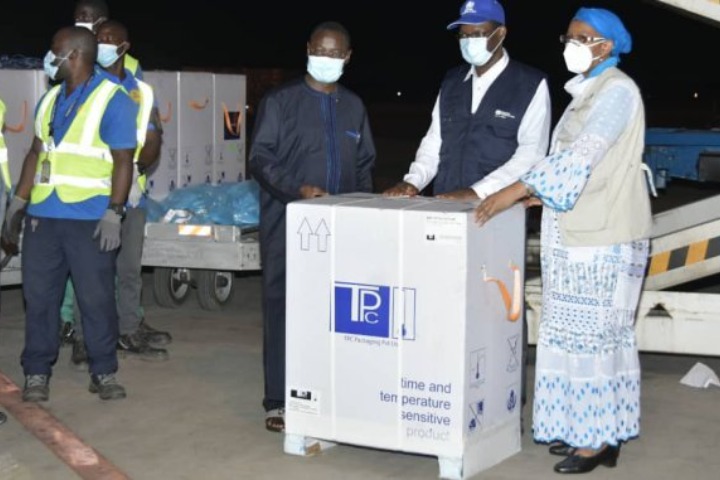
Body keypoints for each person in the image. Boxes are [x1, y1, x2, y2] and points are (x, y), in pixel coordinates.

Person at [474, 7, 651, 474]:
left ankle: (595, 442)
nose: (572, 44)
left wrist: (514, 190)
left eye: (583, 37)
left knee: (592, 341)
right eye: (569, 36)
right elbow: (583, 169)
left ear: (606, 46)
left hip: (602, 242)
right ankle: (592, 432)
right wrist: (540, 197)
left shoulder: (616, 91)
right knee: (579, 338)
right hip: (579, 236)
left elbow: (581, 157)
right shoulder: (587, 92)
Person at [249, 21, 376, 433]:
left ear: (348, 58)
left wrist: (363, 212)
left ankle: (330, 393)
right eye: (321, 51)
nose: (327, 58)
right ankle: (278, 400)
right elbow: (261, 157)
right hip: (288, 222)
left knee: (336, 312)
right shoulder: (280, 101)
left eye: (335, 53)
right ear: (307, 50)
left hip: (341, 227)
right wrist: (296, 189)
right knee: (283, 308)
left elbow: (364, 164)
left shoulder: (353, 106)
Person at [1, 26, 138, 402]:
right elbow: (36, 152)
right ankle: (36, 372)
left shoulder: (113, 99)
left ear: (75, 56)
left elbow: (123, 160)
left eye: (54, 51)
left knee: (96, 299)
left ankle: (103, 370)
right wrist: (18, 204)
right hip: (44, 217)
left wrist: (114, 212)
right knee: (39, 298)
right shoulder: (49, 99)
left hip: (90, 218)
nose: (49, 58)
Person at [67, 20, 168, 368]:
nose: (102, 44)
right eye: (98, 39)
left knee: (128, 269)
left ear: (124, 47)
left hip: (132, 193)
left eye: (108, 40)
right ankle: (83, 339)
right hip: (93, 195)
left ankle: (128, 330)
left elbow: (152, 138)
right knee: (91, 272)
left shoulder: (142, 91)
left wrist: (137, 171)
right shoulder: (84, 86)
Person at [383, 0, 551, 201]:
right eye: (464, 35)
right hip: (446, 201)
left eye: (478, 34)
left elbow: (532, 154)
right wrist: (413, 181)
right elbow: (434, 142)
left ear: (500, 33)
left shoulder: (529, 84)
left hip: (500, 207)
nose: (469, 41)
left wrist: (478, 192)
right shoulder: (452, 82)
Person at [73, 0, 143, 79]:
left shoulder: (130, 64)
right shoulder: (71, 55)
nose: (79, 22)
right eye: (76, 19)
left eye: (85, 17)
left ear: (102, 21)